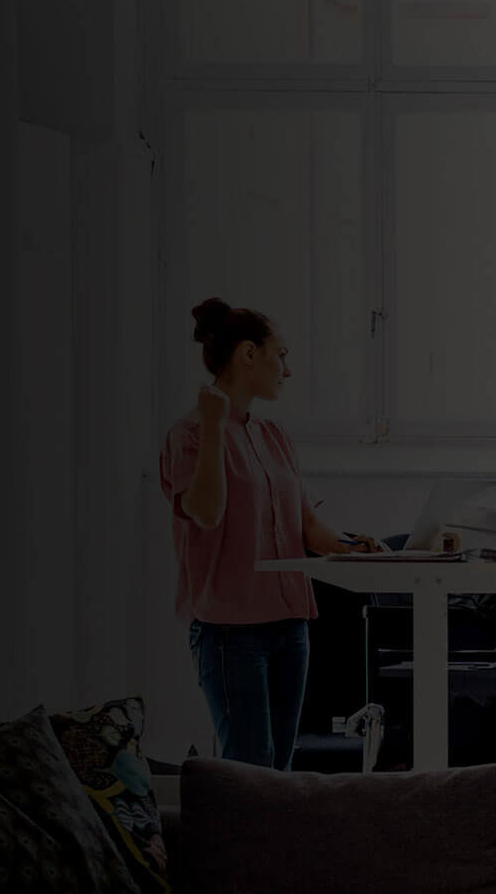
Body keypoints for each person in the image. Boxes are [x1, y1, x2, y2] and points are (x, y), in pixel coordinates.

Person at [159, 297, 379, 770]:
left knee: (277, 769)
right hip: (230, 633)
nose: (287, 369)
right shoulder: (191, 435)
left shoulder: (274, 435)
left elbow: (307, 527)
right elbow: (205, 511)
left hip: (289, 627)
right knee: (248, 769)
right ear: (248, 353)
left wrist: (354, 547)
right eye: (281, 354)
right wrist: (216, 427)